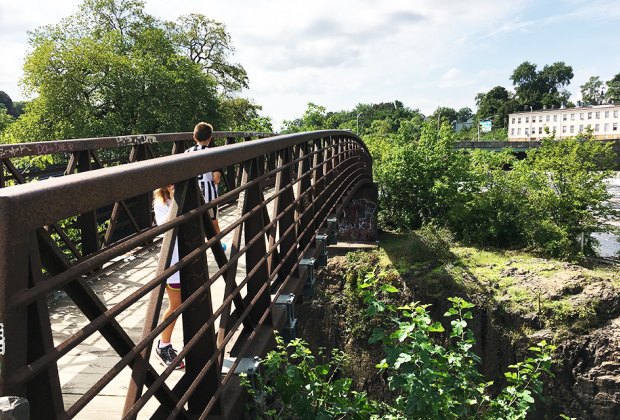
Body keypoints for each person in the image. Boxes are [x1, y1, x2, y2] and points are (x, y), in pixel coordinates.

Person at [153, 184, 185, 369]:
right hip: (172, 262)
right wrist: (175, 200)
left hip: (187, 257)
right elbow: (165, 226)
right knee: (175, 305)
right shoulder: (161, 203)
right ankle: (163, 345)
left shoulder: (185, 198)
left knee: (189, 302)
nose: (174, 185)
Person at [186, 122, 225, 244]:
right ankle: (219, 249)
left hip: (193, 194)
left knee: (195, 224)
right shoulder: (213, 153)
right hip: (209, 195)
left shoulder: (187, 152)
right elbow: (216, 178)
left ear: (194, 137)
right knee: (213, 222)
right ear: (210, 138)